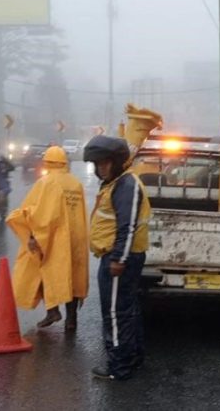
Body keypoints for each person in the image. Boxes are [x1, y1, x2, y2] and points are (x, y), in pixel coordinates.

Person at [84, 135, 151, 381]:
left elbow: (127, 226)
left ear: (118, 162)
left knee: (114, 313)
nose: (100, 168)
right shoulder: (115, 183)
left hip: (120, 258)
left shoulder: (126, 185)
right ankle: (133, 357)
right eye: (97, 164)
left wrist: (118, 259)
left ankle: (118, 366)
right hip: (119, 257)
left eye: (104, 163)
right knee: (127, 309)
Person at [7, 146, 89, 330]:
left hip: (55, 237)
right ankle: (71, 319)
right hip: (76, 238)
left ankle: (53, 310)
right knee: (73, 276)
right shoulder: (75, 183)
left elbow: (41, 215)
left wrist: (30, 233)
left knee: (46, 270)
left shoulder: (47, 182)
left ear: (47, 162)